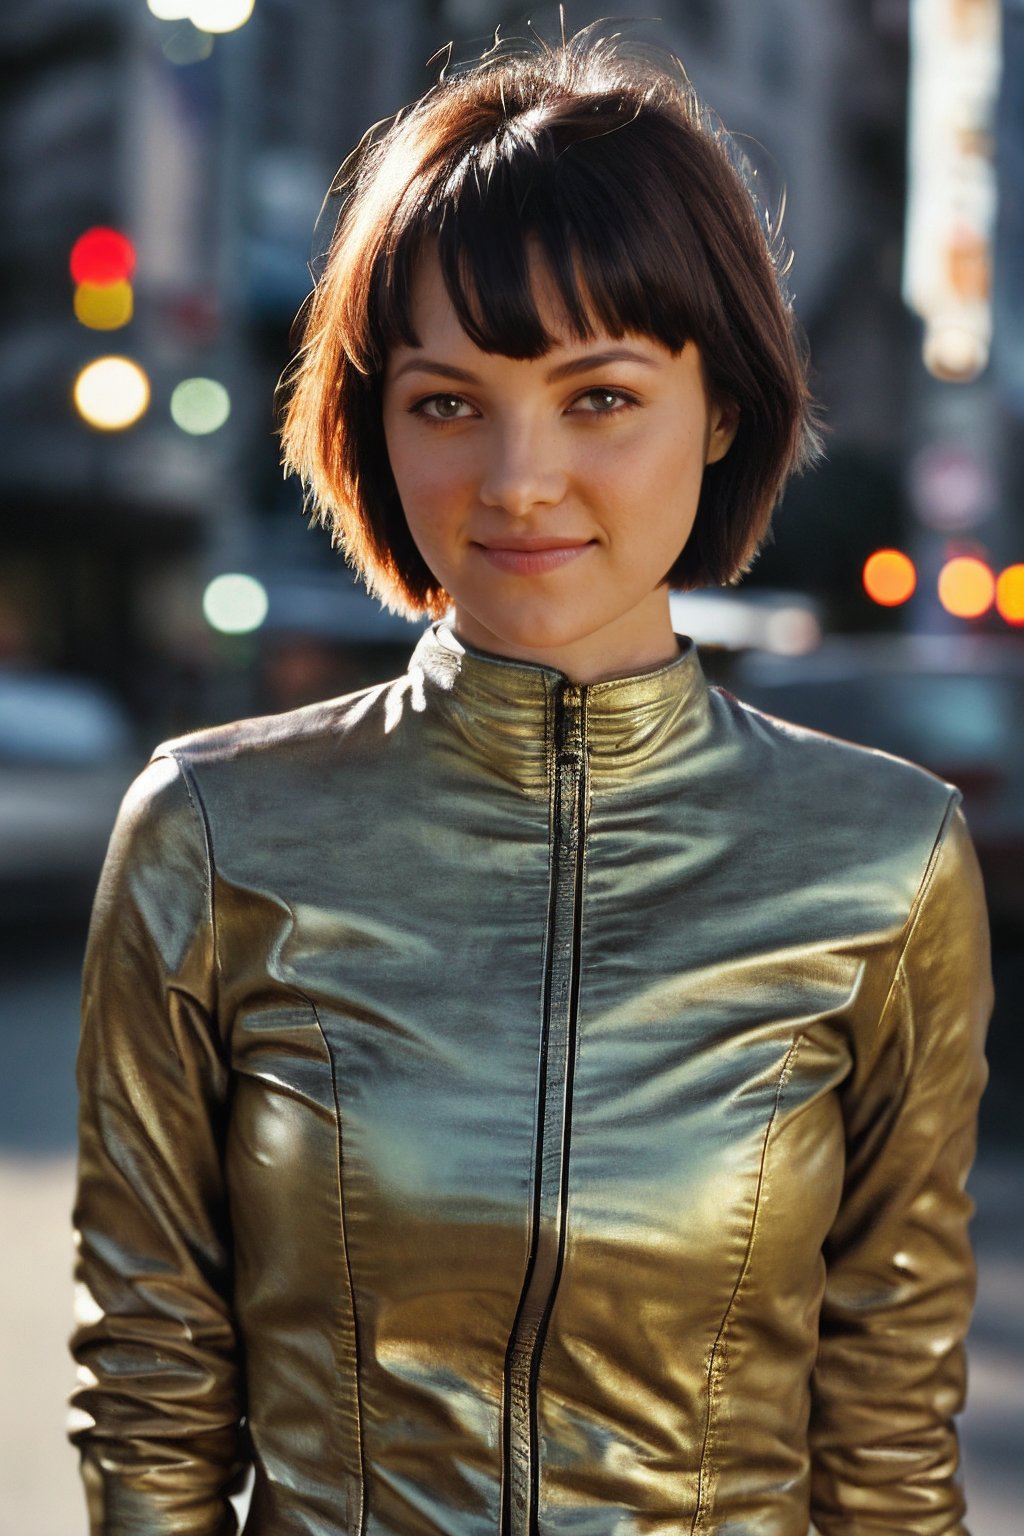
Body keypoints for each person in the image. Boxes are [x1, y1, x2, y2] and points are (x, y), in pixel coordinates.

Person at [68, 24, 993, 1536]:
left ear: (726, 414)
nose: (515, 477)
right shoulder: (217, 834)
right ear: (373, 423)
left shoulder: (882, 862)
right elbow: (154, 1398)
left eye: (600, 396)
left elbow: (887, 1444)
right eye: (446, 401)